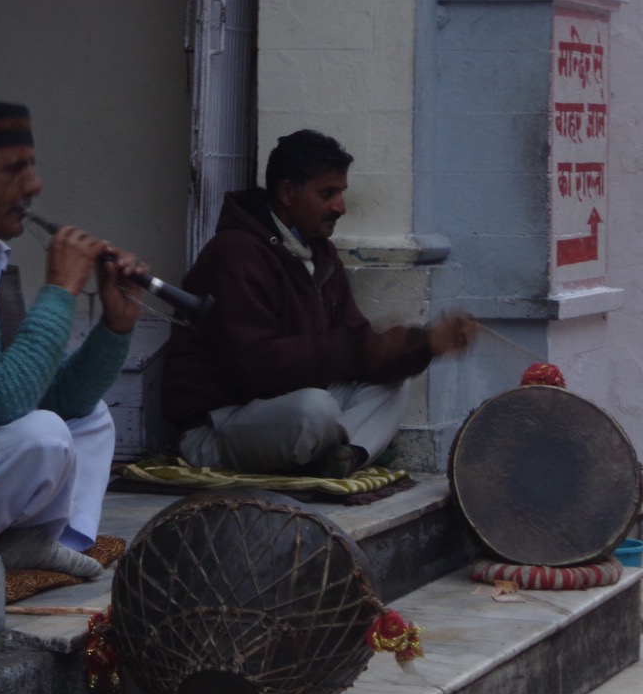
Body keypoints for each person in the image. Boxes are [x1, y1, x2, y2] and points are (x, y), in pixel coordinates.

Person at [161, 128, 475, 477]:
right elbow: (258, 369)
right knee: (314, 409)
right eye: (327, 194)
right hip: (221, 426)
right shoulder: (236, 253)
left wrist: (422, 344)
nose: (340, 207)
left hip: (287, 408)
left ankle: (346, 456)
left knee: (392, 384)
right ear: (286, 193)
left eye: (340, 193)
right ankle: (333, 449)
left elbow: (358, 344)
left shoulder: (321, 255)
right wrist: (355, 350)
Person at [0, 99, 144, 578]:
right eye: (15, 169)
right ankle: (5, 542)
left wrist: (115, 326)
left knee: (89, 416)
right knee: (44, 436)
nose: (34, 186)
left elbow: (53, 395)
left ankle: (40, 540)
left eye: (32, 167)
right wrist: (60, 290)